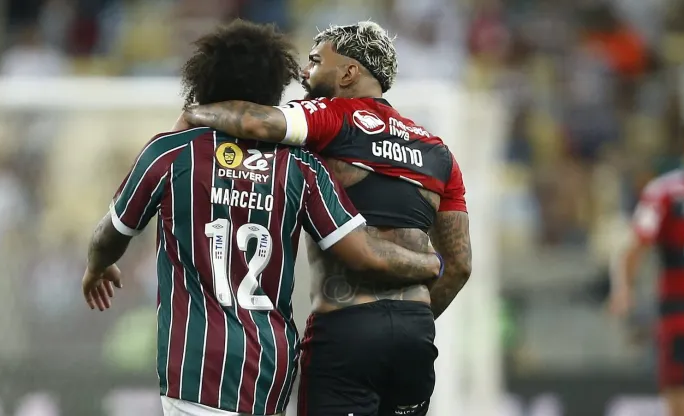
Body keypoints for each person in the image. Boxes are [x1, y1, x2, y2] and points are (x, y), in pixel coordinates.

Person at [80, 20, 445, 416]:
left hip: (197, 366)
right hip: (270, 369)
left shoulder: (170, 152)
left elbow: (111, 233)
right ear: (272, 91)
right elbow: (364, 254)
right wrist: (427, 263)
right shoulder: (302, 168)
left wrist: (98, 265)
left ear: (202, 82)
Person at [182, 21, 472, 416]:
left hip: (346, 331)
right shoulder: (438, 153)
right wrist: (408, 317)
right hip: (415, 334)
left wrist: (194, 114)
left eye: (316, 62)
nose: (305, 73)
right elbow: (459, 266)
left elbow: (254, 121)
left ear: (349, 73)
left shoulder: (333, 116)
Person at [609, 121, 684, 416]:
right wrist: (624, 289)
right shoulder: (665, 193)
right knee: (681, 403)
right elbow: (635, 246)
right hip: (682, 319)